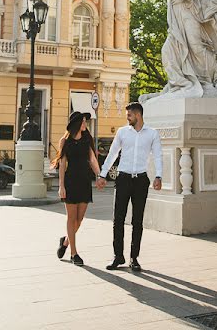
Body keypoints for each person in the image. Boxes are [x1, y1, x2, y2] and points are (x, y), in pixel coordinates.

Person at [96, 102, 163, 272]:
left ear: (138, 115)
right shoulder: (122, 132)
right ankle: (118, 256)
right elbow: (112, 154)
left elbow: (157, 155)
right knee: (118, 219)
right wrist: (103, 174)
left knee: (137, 221)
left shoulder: (152, 134)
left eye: (129, 115)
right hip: (123, 178)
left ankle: (134, 258)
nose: (127, 118)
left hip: (141, 180)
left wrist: (158, 176)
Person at [52, 111, 100, 266]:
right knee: (71, 218)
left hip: (85, 181)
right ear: (77, 123)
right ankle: (74, 253)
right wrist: (61, 186)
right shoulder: (64, 141)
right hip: (70, 181)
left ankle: (65, 241)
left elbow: (92, 159)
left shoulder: (87, 139)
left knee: (79, 219)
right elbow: (62, 165)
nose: (86, 124)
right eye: (84, 122)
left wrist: (99, 175)